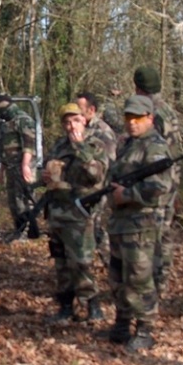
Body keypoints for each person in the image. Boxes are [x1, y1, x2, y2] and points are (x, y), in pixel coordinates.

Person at [106, 95, 173, 351]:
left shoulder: (154, 146)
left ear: (150, 119)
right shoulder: (127, 144)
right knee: (118, 276)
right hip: (121, 224)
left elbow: (160, 186)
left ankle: (145, 329)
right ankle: (122, 322)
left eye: (137, 118)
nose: (132, 123)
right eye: (128, 118)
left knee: (140, 278)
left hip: (141, 224)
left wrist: (128, 195)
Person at [42, 103, 110, 324]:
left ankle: (93, 306)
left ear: (84, 120)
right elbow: (49, 171)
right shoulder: (59, 146)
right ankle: (65, 307)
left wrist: (80, 146)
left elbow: (95, 175)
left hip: (81, 214)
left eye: (76, 120)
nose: (71, 126)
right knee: (61, 263)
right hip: (58, 212)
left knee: (81, 262)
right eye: (67, 122)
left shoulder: (95, 145)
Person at [133, 66, 183, 295]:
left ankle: (156, 284)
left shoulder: (151, 113)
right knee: (164, 231)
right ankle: (158, 282)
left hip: (157, 180)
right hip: (172, 179)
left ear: (138, 88)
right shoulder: (169, 111)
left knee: (156, 232)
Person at [76, 91, 118, 266]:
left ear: (91, 110)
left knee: (97, 227)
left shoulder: (103, 132)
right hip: (83, 187)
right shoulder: (81, 128)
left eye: (80, 109)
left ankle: (111, 263)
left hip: (100, 188)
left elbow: (108, 164)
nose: (76, 113)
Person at [0, 94, 37, 235]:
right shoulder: (7, 123)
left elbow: (29, 144)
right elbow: (4, 148)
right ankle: (18, 229)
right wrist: (2, 170)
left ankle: (27, 230)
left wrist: (25, 165)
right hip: (11, 167)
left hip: (22, 166)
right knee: (13, 201)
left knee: (23, 199)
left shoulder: (23, 120)